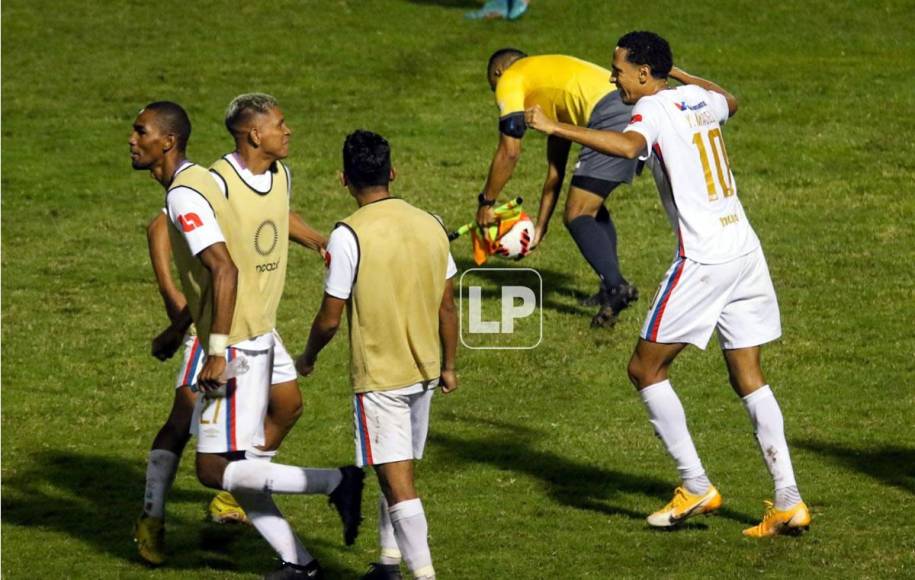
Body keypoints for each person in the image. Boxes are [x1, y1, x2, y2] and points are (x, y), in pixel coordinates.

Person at [524, 31, 811, 537]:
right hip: (744, 249)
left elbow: (629, 144)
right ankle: (788, 499)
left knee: (644, 367)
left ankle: (695, 484)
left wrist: (555, 127)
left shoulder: (652, 111)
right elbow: (732, 102)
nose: (612, 78)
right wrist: (677, 73)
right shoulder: (697, 96)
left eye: (619, 69)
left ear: (642, 73)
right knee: (748, 374)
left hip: (702, 258)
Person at [129, 101, 363, 579]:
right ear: (253, 135)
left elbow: (267, 225)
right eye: (281, 124)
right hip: (230, 335)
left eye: (140, 130)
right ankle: (165, 517)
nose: (289, 130)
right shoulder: (211, 183)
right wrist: (182, 321)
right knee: (200, 448)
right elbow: (182, 242)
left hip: (247, 335)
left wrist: (318, 240)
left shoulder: (276, 175)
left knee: (279, 414)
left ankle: (314, 506)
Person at [295, 130, 459, 580]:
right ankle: (388, 563)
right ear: (392, 172)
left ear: (343, 179)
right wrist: (448, 366)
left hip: (382, 377)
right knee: (397, 469)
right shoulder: (431, 222)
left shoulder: (349, 235)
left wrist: (307, 357)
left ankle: (424, 575)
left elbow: (330, 318)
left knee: (397, 481)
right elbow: (448, 304)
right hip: (425, 368)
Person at [134, 202, 326, 565]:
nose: (286, 140)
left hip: (253, 323)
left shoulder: (265, 179)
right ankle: (153, 516)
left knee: (288, 406)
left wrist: (319, 242)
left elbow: (276, 215)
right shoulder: (211, 183)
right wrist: (168, 291)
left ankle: (235, 491)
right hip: (214, 323)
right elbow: (159, 224)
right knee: (183, 418)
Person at [476, 49, 640, 328]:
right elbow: (555, 173)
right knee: (591, 206)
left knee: (578, 214)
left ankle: (616, 287)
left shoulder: (511, 76)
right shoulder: (554, 93)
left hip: (611, 115)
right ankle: (610, 284)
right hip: (631, 111)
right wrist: (541, 227)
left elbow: (510, 151)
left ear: (498, 74)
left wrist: (486, 203)